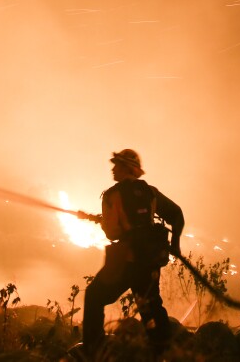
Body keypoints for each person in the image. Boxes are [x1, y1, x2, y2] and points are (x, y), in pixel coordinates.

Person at [82, 148, 184, 358]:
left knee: (94, 296)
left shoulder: (112, 195)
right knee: (151, 307)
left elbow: (112, 232)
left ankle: (94, 351)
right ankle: (165, 353)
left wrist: (104, 222)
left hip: (124, 262)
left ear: (125, 168)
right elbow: (177, 215)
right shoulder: (150, 192)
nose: (113, 169)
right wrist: (175, 243)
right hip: (149, 261)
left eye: (116, 165)